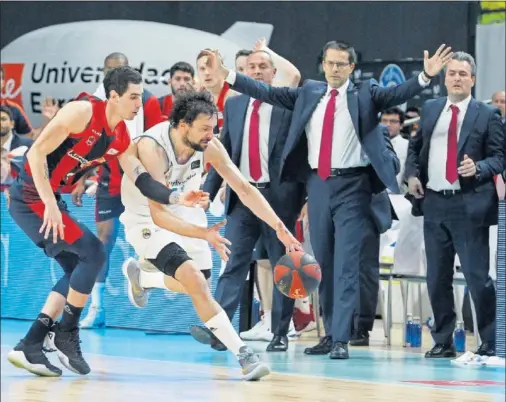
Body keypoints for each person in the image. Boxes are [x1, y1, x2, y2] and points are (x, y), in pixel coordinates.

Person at [200, 41, 452, 359]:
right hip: (318, 185)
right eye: (330, 63)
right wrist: (228, 75)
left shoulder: (364, 94)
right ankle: (330, 332)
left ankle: (341, 339)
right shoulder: (309, 93)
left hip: (353, 186)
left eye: (341, 64)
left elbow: (396, 95)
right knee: (325, 264)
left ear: (351, 68)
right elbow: (266, 92)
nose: (334, 69)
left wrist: (424, 78)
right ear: (323, 64)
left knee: (347, 264)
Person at [6, 66, 208, 377]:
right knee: (94, 252)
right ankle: (65, 334)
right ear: (113, 96)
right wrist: (49, 202)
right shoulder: (81, 111)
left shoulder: (121, 136)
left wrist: (176, 198)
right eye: (133, 97)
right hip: (31, 196)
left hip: (47, 198)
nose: (139, 103)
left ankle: (32, 343)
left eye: (141, 96)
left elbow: (140, 178)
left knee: (78, 268)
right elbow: (37, 155)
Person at [119, 90, 302, 380]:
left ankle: (144, 278)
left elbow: (244, 188)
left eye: (214, 128)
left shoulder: (210, 145)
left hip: (185, 208)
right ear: (183, 125)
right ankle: (244, 355)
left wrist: (280, 227)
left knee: (199, 283)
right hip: (147, 218)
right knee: (193, 279)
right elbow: (159, 213)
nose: (211, 134)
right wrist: (204, 233)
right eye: (205, 128)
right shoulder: (153, 148)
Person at [198, 50, 305, 353]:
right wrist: (208, 191)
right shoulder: (234, 104)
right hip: (242, 197)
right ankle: (220, 330)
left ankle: (281, 332)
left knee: (283, 265)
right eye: (250, 67)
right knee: (233, 262)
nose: (256, 71)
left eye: (262, 67)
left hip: (278, 199)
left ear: (273, 73)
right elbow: (225, 154)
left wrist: (305, 198)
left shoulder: (288, 104)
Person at [405, 51, 504, 358]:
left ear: (473, 79)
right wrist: (411, 176)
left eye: (463, 73)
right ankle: (443, 340)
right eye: (452, 73)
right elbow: (415, 147)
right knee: (437, 277)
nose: (457, 78)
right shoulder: (432, 107)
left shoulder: (487, 114)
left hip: (469, 204)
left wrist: (480, 168)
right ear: (444, 78)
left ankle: (490, 340)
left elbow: (499, 157)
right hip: (434, 202)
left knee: (477, 277)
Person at [74, 52, 166, 329]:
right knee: (104, 239)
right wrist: (80, 177)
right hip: (107, 179)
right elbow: (83, 145)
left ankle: (146, 283)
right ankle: (97, 307)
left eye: (121, 68)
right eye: (110, 70)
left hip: (139, 178)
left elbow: (158, 140)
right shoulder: (91, 102)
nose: (115, 73)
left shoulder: (146, 99)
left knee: (152, 235)